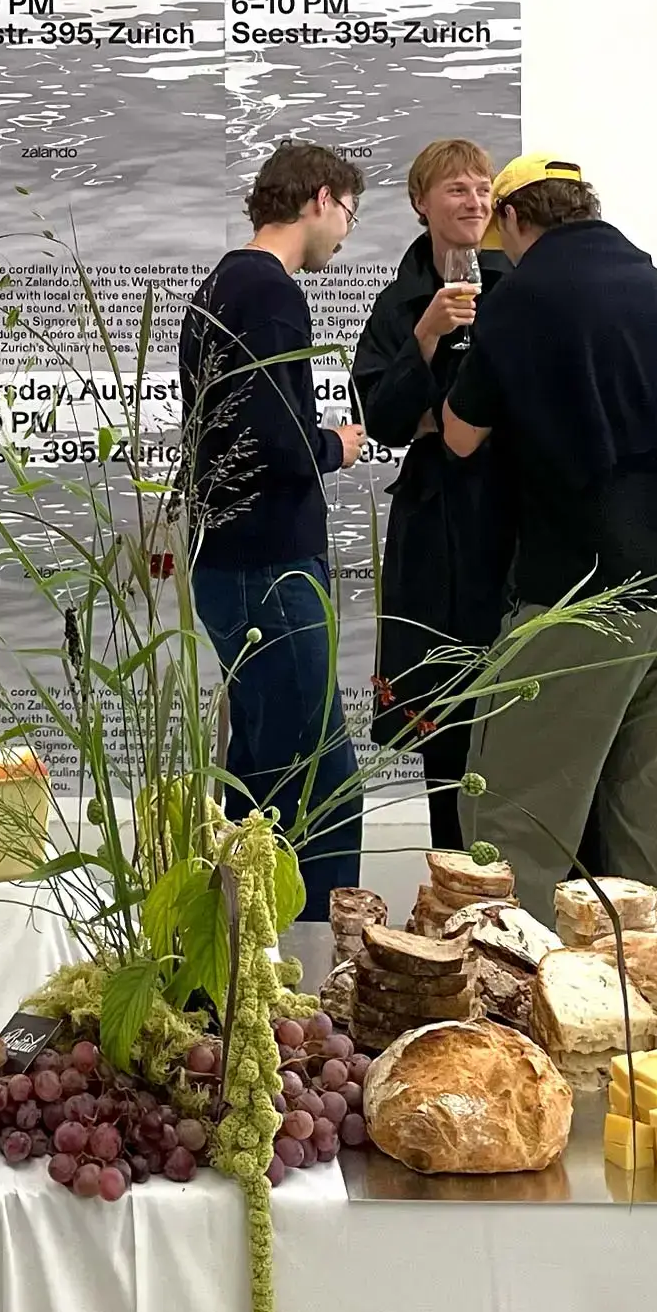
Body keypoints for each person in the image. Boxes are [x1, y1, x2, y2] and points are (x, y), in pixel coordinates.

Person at [439, 155, 657, 918]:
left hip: (580, 602)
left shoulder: (523, 298)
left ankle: (515, 1019)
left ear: (515, 220)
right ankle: (648, 1013)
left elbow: (462, 436)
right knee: (652, 840)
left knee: (514, 825)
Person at [180, 140, 370, 922]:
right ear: (319, 198)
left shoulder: (215, 286)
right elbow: (275, 437)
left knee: (258, 776)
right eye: (349, 214)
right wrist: (337, 444)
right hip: (273, 569)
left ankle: (245, 962)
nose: (347, 234)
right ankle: (321, 970)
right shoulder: (271, 291)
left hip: (228, 563)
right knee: (321, 786)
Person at [350, 138, 515, 852]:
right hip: (435, 526)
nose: (474, 203)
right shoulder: (399, 303)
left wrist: (444, 416)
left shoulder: (522, 284)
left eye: (483, 190)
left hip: (513, 519)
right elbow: (382, 417)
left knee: (516, 710)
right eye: (457, 190)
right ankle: (452, 880)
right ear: (421, 202)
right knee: (441, 717)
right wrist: (424, 337)